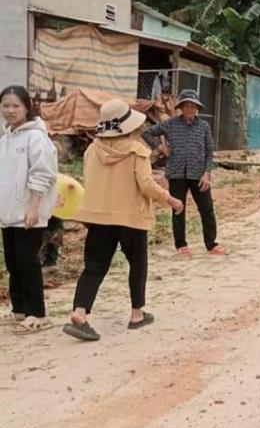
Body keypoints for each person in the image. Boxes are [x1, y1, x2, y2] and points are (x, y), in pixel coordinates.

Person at [63, 99, 184, 342]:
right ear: (129, 124)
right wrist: (169, 199)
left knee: (94, 267)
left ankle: (79, 313)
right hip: (131, 218)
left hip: (99, 218)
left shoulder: (91, 151)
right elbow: (147, 185)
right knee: (137, 264)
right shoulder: (137, 150)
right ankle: (137, 314)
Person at [0, 85, 58, 334]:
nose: (10, 110)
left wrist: (34, 207)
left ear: (26, 108)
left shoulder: (36, 137)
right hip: (8, 213)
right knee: (13, 263)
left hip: (29, 212)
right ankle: (20, 310)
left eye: (15, 105)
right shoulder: (5, 139)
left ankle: (38, 314)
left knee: (27, 262)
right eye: (5, 105)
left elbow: (42, 173)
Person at [143, 89, 226, 256]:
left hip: (199, 174)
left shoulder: (203, 127)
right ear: (181, 107)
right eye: (186, 106)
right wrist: (159, 147)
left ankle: (211, 244)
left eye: (193, 106)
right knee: (178, 208)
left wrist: (207, 173)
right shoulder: (171, 124)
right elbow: (146, 132)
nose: (190, 109)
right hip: (177, 174)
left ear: (197, 108)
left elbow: (209, 152)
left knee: (207, 209)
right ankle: (181, 245)